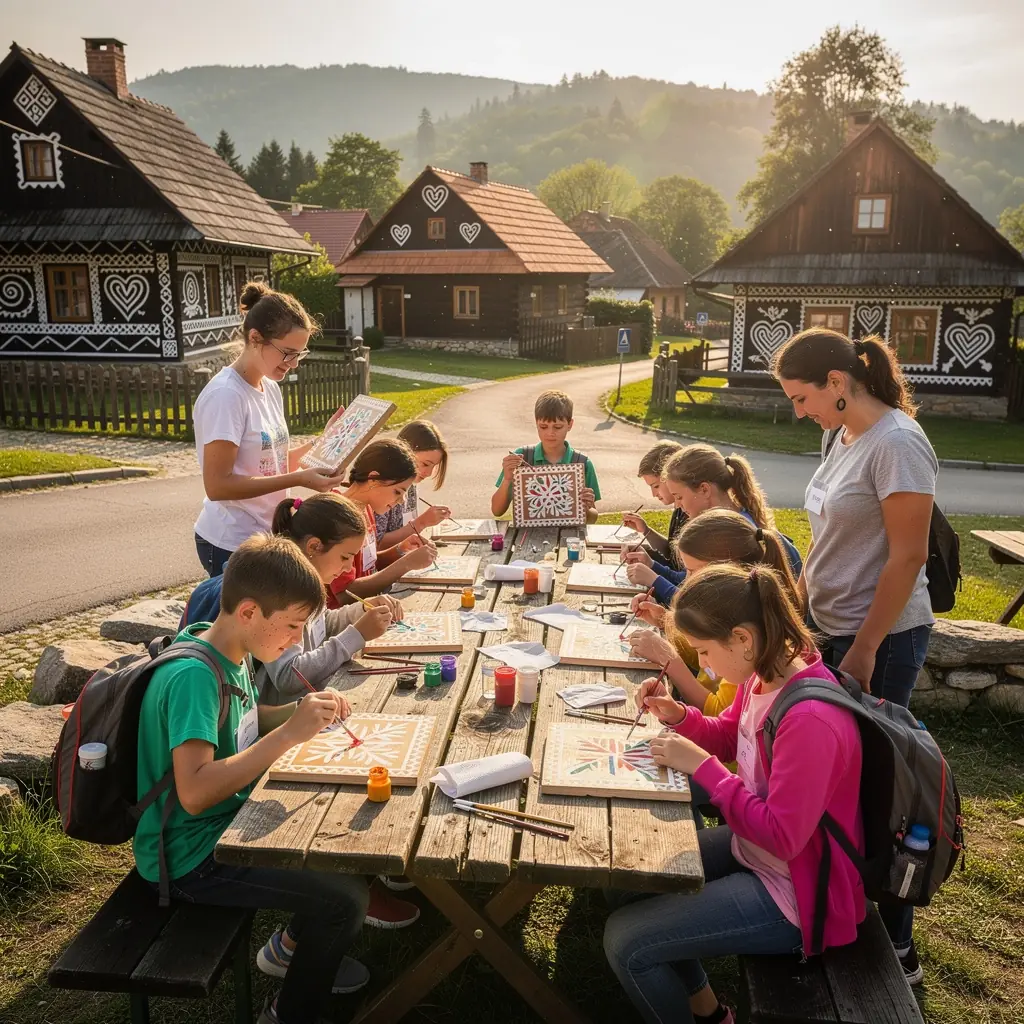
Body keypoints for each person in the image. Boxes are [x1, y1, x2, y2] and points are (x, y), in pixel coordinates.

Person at [604, 564, 864, 1024]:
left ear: (742, 638)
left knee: (627, 943)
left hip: (797, 890)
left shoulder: (810, 721)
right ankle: (707, 1011)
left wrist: (704, 770)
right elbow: (729, 736)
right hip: (756, 847)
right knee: (629, 878)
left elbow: (784, 837)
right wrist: (677, 715)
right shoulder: (763, 675)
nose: (704, 665)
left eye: (704, 651)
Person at [134, 535, 371, 1023]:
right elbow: (195, 792)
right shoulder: (194, 678)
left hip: (221, 825)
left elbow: (243, 718)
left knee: (344, 836)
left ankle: (289, 951)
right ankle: (291, 1014)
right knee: (347, 902)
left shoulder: (231, 647)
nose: (295, 641)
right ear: (248, 612)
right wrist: (288, 735)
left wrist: (300, 711)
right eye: (292, 626)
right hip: (189, 857)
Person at [774, 327, 937, 982]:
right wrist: (800, 611)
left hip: (882, 640)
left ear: (837, 384)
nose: (798, 411)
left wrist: (865, 647)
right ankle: (831, 907)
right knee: (830, 779)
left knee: (881, 794)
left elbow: (908, 556)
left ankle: (898, 947)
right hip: (830, 626)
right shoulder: (838, 435)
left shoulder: (898, 444)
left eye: (802, 397)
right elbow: (827, 539)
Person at [191, 282, 349, 577]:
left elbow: (271, 463)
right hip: (231, 542)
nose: (294, 364)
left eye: (300, 354)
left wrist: (324, 442)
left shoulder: (269, 387)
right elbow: (217, 486)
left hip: (264, 537)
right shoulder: (226, 396)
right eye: (287, 353)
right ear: (255, 338)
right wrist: (299, 479)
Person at [182, 493, 401, 703]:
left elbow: (321, 624)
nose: (348, 568)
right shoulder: (281, 586)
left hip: (299, 707)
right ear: (314, 546)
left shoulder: (306, 578)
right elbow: (288, 675)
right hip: (274, 712)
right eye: (345, 557)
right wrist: (356, 635)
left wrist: (360, 611)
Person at [627, 508, 800, 716]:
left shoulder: (744, 640)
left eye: (693, 572)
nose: (686, 581)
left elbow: (719, 712)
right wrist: (665, 621)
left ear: (725, 568)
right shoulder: (738, 619)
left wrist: (669, 661)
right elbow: (707, 663)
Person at [624, 444, 802, 605]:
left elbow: (702, 608)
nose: (677, 505)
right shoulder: (728, 522)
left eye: (679, 497)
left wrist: (655, 581)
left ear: (704, 489)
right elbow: (690, 581)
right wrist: (652, 565)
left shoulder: (728, 536)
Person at [328, 438, 438, 606]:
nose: (401, 501)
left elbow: (368, 566)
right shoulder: (338, 516)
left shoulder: (366, 509)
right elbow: (345, 593)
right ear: (373, 479)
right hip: (345, 617)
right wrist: (406, 564)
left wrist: (400, 550)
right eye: (397, 492)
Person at [491, 389, 601, 523]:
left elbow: (592, 518)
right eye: (543, 427)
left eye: (557, 427)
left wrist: (587, 508)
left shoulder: (582, 463)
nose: (550, 433)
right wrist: (507, 480)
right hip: (527, 534)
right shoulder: (522, 458)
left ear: (570, 425)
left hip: (570, 534)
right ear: (536, 423)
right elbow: (497, 511)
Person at [376, 420, 452, 549]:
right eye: (425, 464)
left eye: (434, 466)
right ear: (406, 452)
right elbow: (375, 545)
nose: (429, 473)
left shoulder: (411, 483)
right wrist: (422, 522)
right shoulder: (385, 485)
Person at [621, 441, 684, 567]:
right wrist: (645, 530)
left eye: (655, 486)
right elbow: (671, 553)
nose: (654, 494)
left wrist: (651, 564)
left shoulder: (691, 510)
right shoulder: (680, 509)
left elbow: (679, 572)